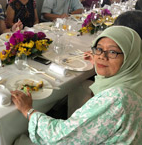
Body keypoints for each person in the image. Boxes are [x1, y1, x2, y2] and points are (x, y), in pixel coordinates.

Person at [12, 26, 142, 144]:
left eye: (113, 52)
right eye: (99, 49)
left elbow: (59, 136)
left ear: (130, 57)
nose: (102, 56)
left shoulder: (117, 99)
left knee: (17, 141)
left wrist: (28, 110)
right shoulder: (135, 79)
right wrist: (96, 61)